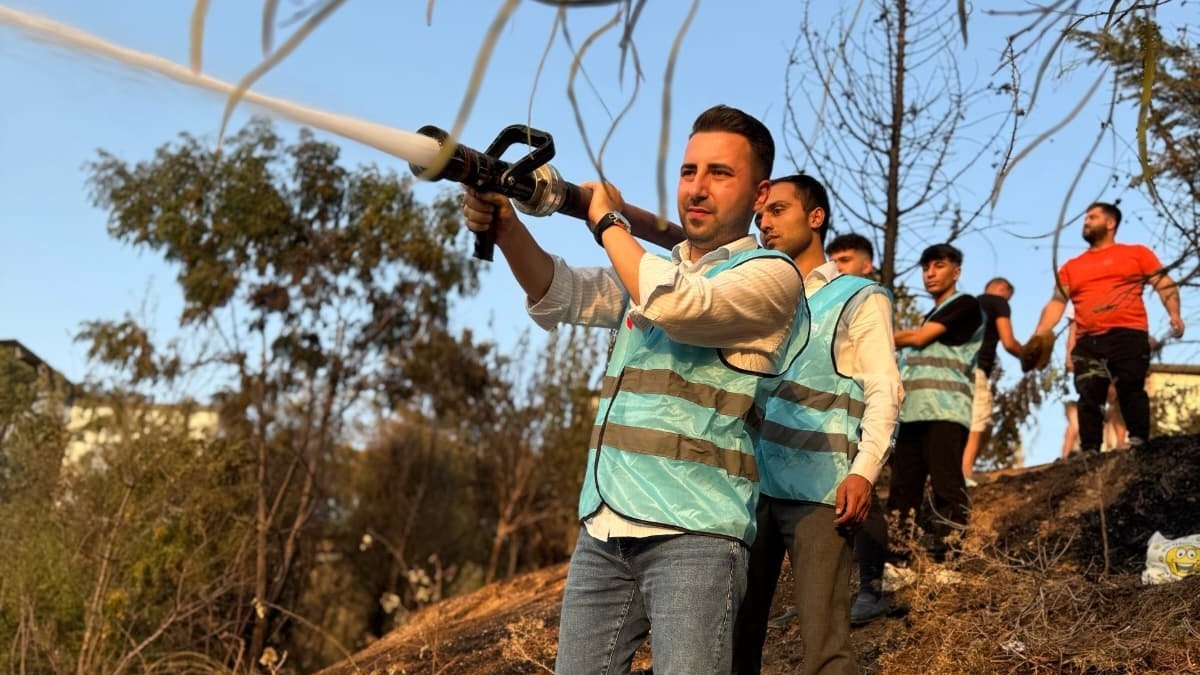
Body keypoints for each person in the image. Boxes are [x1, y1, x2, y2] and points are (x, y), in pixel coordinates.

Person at [463, 104, 806, 675]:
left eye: (720, 173)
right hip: (604, 526)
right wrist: (505, 225)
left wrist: (607, 221)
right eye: (689, 171)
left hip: (695, 534)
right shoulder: (649, 269)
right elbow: (561, 292)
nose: (697, 188)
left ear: (758, 192)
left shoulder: (771, 276)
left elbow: (678, 304)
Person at [732, 178, 901, 675]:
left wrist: (863, 472)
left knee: (824, 647)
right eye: (761, 214)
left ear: (816, 217)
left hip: (820, 492)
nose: (764, 222)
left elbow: (884, 389)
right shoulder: (757, 297)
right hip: (746, 487)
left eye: (778, 210)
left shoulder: (857, 297)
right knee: (731, 636)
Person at [1030, 202, 1185, 455]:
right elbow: (1057, 302)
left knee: (1130, 388)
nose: (1086, 222)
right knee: (1089, 394)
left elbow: (1163, 283)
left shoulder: (1137, 253)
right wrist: (1040, 334)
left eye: (1092, 217)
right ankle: (1089, 451)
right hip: (1088, 340)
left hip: (1128, 333)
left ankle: (1139, 444)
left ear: (1110, 223)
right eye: (1085, 218)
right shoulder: (1071, 266)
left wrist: (1174, 314)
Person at [872, 244, 983, 571]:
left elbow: (921, 339)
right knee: (902, 491)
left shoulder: (964, 305)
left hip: (945, 412)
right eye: (926, 268)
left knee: (947, 486)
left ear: (956, 271)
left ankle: (949, 562)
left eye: (938, 266)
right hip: (912, 415)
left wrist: (875, 336)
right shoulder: (933, 314)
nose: (930, 274)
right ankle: (898, 564)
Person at [821, 233, 898, 626]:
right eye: (833, 259)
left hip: (854, 428)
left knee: (866, 508)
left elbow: (881, 381)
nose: (837, 266)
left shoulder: (869, 300)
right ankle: (821, 600)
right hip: (820, 432)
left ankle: (872, 589)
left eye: (846, 259)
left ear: (867, 265)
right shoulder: (822, 303)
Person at [961, 278, 1023, 484]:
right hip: (976, 369)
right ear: (1002, 289)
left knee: (960, 422)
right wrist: (1029, 356)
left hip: (954, 369)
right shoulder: (998, 302)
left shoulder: (967, 304)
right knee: (980, 421)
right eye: (1009, 297)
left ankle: (951, 471)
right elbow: (1009, 342)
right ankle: (964, 473)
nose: (1008, 302)